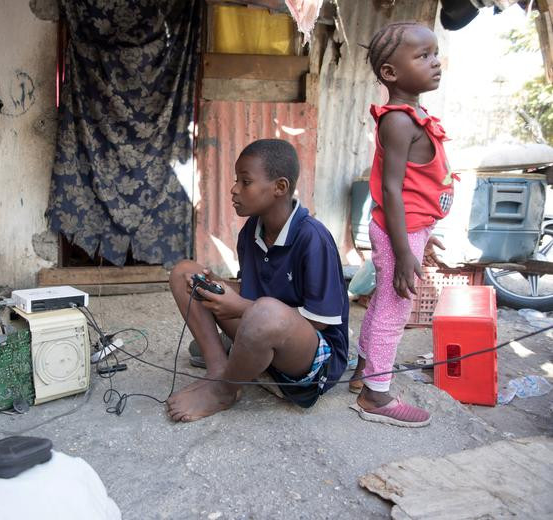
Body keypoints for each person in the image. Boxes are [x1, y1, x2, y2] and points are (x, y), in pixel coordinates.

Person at [166, 139, 349, 422]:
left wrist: (239, 306)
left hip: (311, 361)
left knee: (265, 312)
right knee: (185, 273)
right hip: (265, 327)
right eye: (236, 180)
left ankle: (224, 392)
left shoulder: (313, 238)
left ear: (280, 187)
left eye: (245, 181)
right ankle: (219, 371)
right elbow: (253, 291)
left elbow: (319, 321)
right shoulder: (251, 232)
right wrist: (217, 286)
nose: (234, 189)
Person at [348, 22, 453, 427]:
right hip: (399, 230)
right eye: (423, 56)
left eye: (435, 52)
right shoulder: (399, 121)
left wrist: (423, 233)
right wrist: (405, 248)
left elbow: (413, 186)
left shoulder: (416, 115)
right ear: (390, 74)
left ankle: (363, 374)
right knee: (395, 309)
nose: (435, 62)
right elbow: (391, 191)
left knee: (384, 303)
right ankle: (377, 395)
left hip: (409, 229)